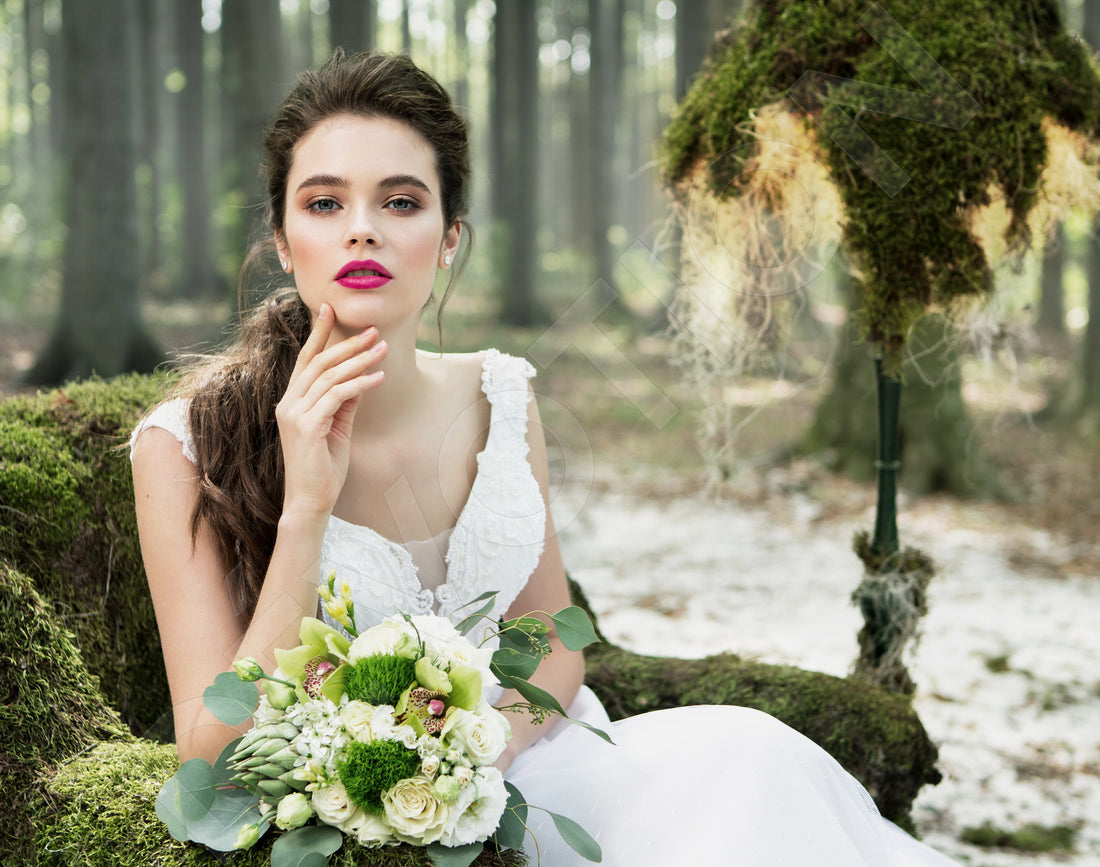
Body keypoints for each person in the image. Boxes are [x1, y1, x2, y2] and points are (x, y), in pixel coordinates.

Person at [131, 50, 961, 865]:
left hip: (545, 773)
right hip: (353, 817)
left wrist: (480, 759)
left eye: (401, 200)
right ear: (282, 238)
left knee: (750, 761)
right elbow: (206, 759)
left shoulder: (501, 396)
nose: (362, 227)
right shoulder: (185, 446)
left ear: (449, 237)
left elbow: (555, 643)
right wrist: (307, 503)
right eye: (323, 202)